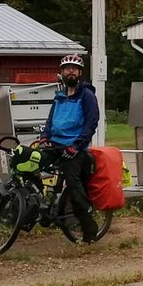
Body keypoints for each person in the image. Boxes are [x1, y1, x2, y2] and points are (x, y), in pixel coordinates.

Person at [40, 52, 100, 232]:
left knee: (74, 185)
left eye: (74, 69)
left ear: (80, 73)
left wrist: (77, 146)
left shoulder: (87, 95)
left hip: (74, 148)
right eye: (67, 69)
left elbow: (91, 122)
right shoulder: (59, 95)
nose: (70, 72)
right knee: (30, 166)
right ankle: (40, 209)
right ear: (62, 72)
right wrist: (45, 135)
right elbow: (51, 119)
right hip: (54, 145)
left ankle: (88, 226)